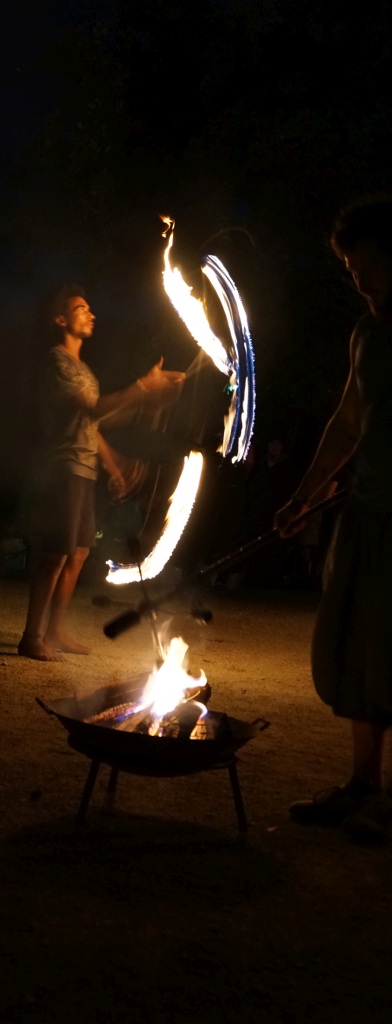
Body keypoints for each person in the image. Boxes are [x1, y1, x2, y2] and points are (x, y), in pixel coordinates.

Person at [274, 194, 392, 842]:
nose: (362, 280)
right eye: (352, 270)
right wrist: (304, 495)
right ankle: (363, 784)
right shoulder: (366, 333)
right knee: (356, 648)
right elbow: (348, 421)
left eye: (370, 266)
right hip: (366, 513)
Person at [18, 284, 185, 662]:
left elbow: (94, 423)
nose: (91, 314)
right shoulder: (57, 362)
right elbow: (93, 410)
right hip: (62, 467)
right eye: (81, 308)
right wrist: (143, 387)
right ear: (61, 319)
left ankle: (56, 631)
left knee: (77, 554)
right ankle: (31, 636)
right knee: (55, 555)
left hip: (83, 468)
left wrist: (145, 405)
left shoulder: (84, 370)